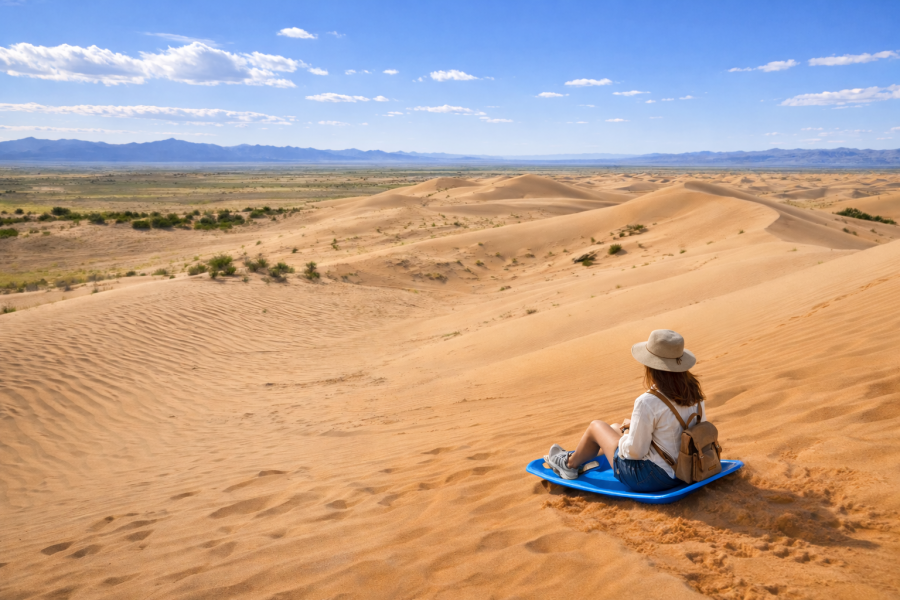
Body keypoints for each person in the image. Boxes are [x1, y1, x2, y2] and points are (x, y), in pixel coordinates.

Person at [544, 329, 706, 493]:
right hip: (686, 471)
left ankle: (569, 465)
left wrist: (627, 435)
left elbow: (635, 452)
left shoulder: (647, 401)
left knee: (596, 426)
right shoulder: (694, 394)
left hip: (653, 478)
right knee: (615, 427)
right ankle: (580, 457)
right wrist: (632, 428)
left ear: (651, 366)